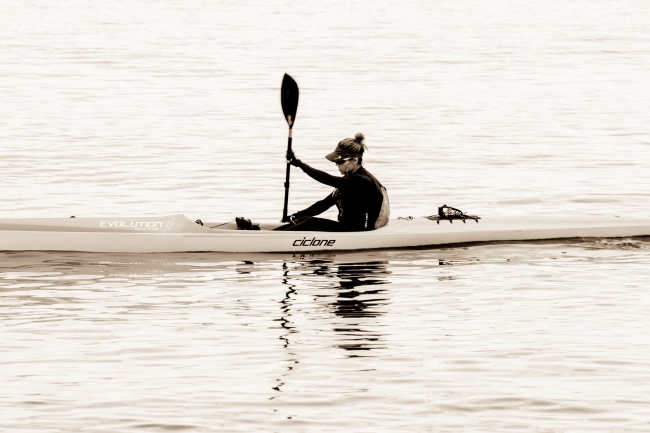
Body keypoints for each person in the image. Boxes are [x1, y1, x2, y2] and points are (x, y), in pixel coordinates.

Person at [277, 132, 389, 232]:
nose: (337, 165)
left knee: (310, 222)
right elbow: (323, 204)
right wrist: (294, 216)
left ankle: (274, 239)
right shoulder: (348, 180)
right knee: (303, 219)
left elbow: (328, 179)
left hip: (360, 232)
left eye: (340, 162)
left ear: (354, 160)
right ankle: (271, 234)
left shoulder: (362, 180)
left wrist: (301, 165)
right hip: (347, 227)